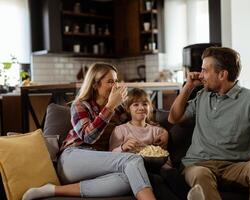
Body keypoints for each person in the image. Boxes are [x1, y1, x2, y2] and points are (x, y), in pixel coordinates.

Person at [168, 47, 250, 200]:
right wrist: (188, 86)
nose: (200, 75)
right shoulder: (203, 96)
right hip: (199, 165)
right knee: (201, 175)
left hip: (236, 167)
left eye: (205, 70)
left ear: (222, 74)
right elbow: (173, 118)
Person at [22, 63, 156, 200]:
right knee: (133, 160)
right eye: (110, 82)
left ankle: (53, 190)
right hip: (73, 158)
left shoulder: (119, 109)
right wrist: (109, 107)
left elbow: (139, 118)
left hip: (100, 162)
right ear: (95, 85)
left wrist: (160, 131)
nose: (115, 86)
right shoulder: (80, 105)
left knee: (129, 179)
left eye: (116, 81)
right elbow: (87, 137)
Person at [109, 87, 168, 153]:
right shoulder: (120, 130)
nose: (141, 108)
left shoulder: (157, 132)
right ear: (128, 109)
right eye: (136, 105)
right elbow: (112, 155)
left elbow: (164, 155)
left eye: (145, 104)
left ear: (150, 107)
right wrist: (123, 147)